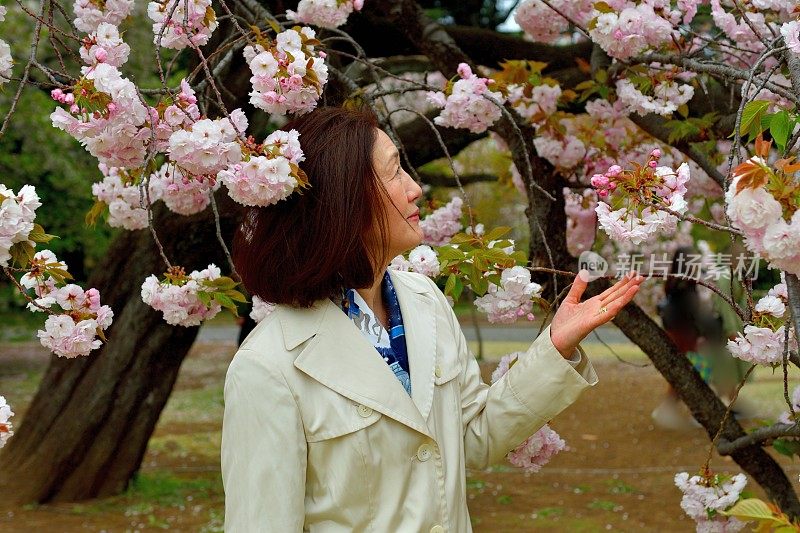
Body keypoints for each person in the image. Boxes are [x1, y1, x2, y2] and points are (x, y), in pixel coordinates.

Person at [221, 106, 644, 532]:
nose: (415, 188)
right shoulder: (267, 368)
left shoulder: (424, 301)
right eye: (394, 172)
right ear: (345, 198)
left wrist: (555, 346)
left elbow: (473, 436)